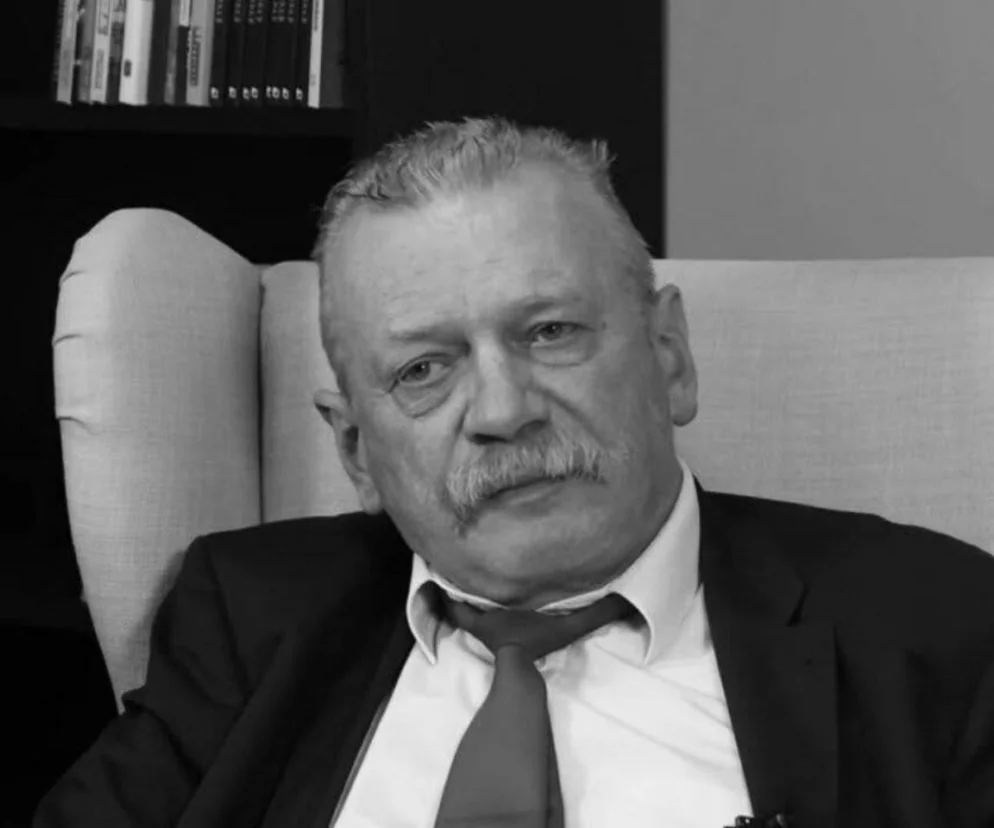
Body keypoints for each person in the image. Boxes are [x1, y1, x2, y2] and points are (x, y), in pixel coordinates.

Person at [35, 116, 994, 828]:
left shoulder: (940, 623)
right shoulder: (248, 616)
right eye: (423, 370)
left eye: (550, 331)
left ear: (669, 357)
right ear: (356, 450)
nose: (503, 411)